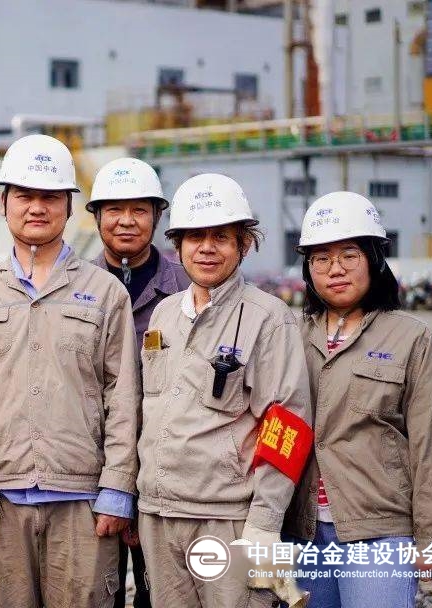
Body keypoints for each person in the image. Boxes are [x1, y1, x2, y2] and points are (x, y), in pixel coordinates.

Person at [0, 134, 141, 608]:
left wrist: (118, 488)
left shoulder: (106, 293)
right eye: (24, 195)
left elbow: (123, 397)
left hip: (82, 501)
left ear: (69, 205)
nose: (37, 207)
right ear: (4, 204)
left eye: (50, 197)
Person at [136, 173, 313, 608]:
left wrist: (265, 522)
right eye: (195, 236)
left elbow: (287, 423)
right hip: (159, 515)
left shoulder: (268, 318)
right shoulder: (163, 315)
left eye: (221, 237)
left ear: (243, 244)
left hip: (228, 519)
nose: (207, 248)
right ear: (177, 244)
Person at [283, 191, 432, 608]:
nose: (335, 269)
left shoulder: (412, 339)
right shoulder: (290, 334)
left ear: (375, 259)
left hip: (379, 532)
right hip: (303, 531)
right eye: (321, 259)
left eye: (349, 255)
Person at [86, 156, 190, 608]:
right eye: (114, 210)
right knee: (96, 592)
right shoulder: (75, 287)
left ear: (158, 216)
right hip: (93, 475)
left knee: (160, 594)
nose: (126, 221)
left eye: (139, 210)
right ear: (95, 216)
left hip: (169, 475)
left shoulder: (188, 287)